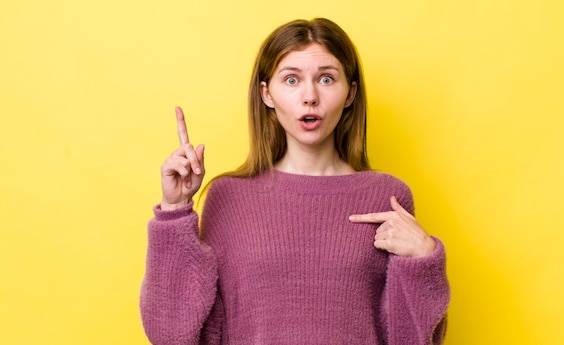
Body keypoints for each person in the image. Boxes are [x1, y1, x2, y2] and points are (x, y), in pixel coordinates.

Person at [140, 17, 450, 345]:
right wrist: (174, 210)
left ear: (350, 94)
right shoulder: (229, 198)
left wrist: (423, 258)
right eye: (291, 80)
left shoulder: (386, 196)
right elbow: (172, 334)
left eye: (327, 79)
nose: (310, 96)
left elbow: (411, 339)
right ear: (267, 94)